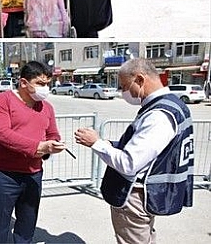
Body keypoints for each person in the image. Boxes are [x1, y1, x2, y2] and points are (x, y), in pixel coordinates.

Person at [74, 59, 194, 244]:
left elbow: (129, 164)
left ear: (139, 79)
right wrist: (110, 143)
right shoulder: (173, 104)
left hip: (135, 195)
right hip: (148, 193)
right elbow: (151, 150)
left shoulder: (158, 115)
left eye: (124, 86)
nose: (123, 92)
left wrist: (96, 143)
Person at [0, 61, 65, 243]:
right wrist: (38, 147)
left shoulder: (47, 107)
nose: (45, 89)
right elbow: (3, 134)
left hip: (33, 174)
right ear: (23, 83)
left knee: (27, 225)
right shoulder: (1, 101)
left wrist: (54, 145)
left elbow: (53, 133)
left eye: (48, 84)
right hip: (4, 175)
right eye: (40, 84)